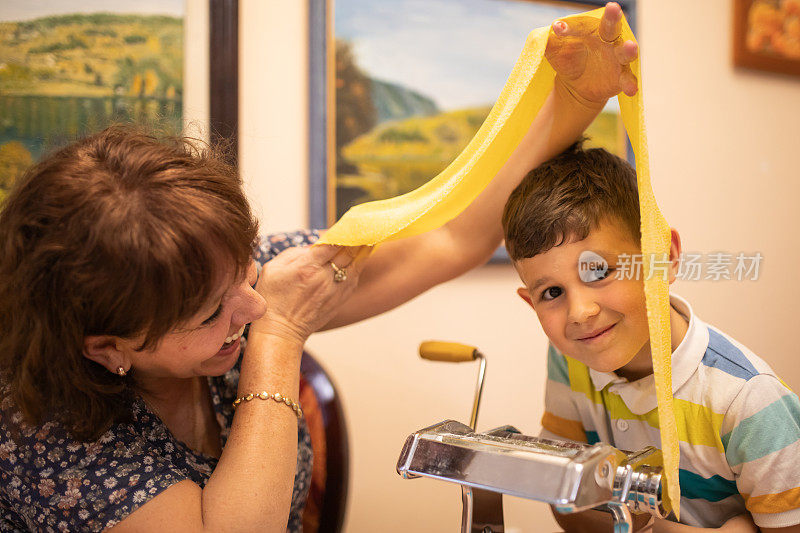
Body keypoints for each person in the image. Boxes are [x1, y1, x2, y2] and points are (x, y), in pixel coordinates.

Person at [0, 4, 639, 532]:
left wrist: (579, 97)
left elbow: (451, 236)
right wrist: (277, 337)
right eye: (211, 313)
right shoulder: (41, 433)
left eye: (248, 273)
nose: (250, 305)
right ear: (108, 347)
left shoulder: (235, 283)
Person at [501, 142, 800, 532]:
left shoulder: (749, 402)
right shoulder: (570, 359)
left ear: (665, 256)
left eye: (598, 272)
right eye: (552, 293)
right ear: (531, 302)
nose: (580, 313)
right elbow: (564, 503)